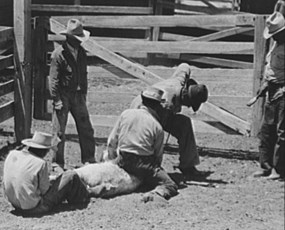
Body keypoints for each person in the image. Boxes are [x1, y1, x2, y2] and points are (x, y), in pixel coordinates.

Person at [130, 63, 208, 180]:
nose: (187, 106)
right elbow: (157, 131)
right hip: (141, 111)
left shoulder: (180, 81)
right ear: (186, 98)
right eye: (189, 104)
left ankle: (188, 166)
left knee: (184, 123)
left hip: (154, 108)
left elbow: (184, 67)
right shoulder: (166, 104)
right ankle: (150, 166)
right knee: (154, 132)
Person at [107, 87, 178, 202]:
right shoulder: (157, 126)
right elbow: (158, 156)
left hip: (123, 160)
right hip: (144, 164)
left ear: (142, 100)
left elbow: (111, 141)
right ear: (157, 106)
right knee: (170, 185)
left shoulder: (125, 114)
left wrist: (112, 160)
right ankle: (157, 193)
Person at [2, 131, 98, 215]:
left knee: (57, 180)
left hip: (15, 204)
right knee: (70, 175)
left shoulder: (12, 154)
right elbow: (45, 190)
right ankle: (88, 194)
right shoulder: (40, 163)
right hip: (35, 207)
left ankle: (89, 191)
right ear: (44, 150)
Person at [48, 19, 95, 170]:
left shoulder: (81, 52)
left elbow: (84, 73)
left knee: (86, 127)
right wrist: (56, 99)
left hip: (78, 94)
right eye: (78, 39)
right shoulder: (58, 55)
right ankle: (57, 162)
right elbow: (54, 79)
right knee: (59, 131)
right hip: (63, 95)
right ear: (70, 38)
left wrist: (84, 93)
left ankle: (89, 159)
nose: (80, 42)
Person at [253, 12, 285, 180]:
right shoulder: (275, 45)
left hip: (283, 90)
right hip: (271, 89)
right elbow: (271, 67)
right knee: (266, 129)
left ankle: (279, 169)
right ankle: (265, 165)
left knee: (282, 132)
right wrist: (265, 84)